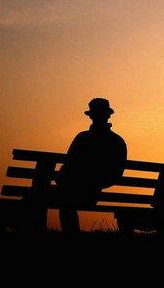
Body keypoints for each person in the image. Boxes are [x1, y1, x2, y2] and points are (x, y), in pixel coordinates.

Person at [56, 98, 127, 233]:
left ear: (91, 116)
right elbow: (116, 175)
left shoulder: (82, 138)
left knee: (58, 199)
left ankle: (70, 236)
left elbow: (67, 166)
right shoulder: (118, 141)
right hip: (95, 193)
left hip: (75, 192)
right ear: (108, 115)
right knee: (65, 198)